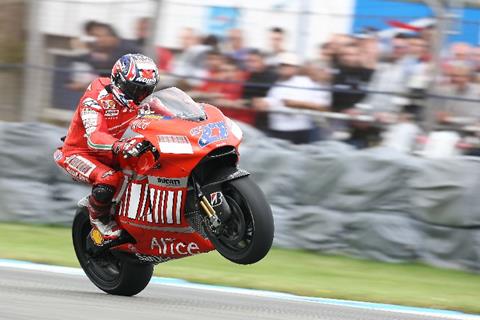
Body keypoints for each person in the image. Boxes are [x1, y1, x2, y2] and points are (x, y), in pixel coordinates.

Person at [54, 53, 159, 241]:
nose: (140, 96)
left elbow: (163, 112)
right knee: (109, 179)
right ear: (118, 81)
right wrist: (120, 145)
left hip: (112, 152)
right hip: (80, 152)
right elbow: (95, 137)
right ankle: (97, 217)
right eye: (135, 89)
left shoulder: (141, 100)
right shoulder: (95, 97)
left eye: (146, 91)